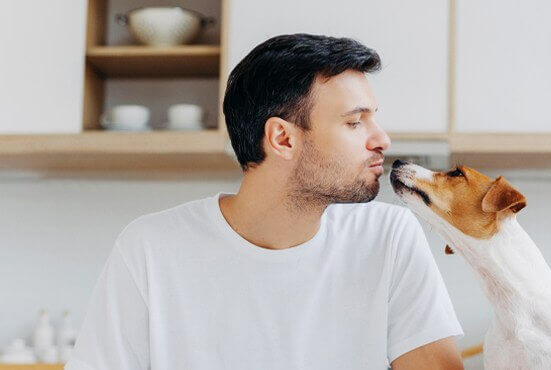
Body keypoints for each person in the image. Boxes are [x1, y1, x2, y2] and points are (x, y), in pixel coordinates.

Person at [67, 34, 464, 369]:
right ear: (282, 139)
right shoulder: (151, 248)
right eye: (355, 122)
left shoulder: (387, 237)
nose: (382, 139)